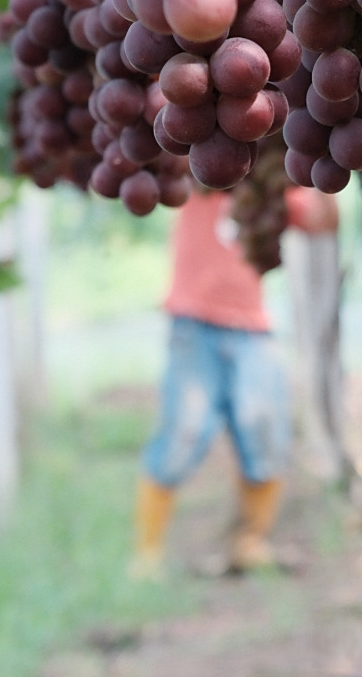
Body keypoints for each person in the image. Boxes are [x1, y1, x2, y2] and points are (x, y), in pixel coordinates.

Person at [130, 182, 338, 578]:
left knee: (265, 434)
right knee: (183, 435)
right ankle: (147, 554)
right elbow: (172, 161)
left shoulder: (275, 185)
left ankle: (250, 543)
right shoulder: (202, 172)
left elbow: (322, 221)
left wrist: (322, 167)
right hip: (193, 323)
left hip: (250, 330)